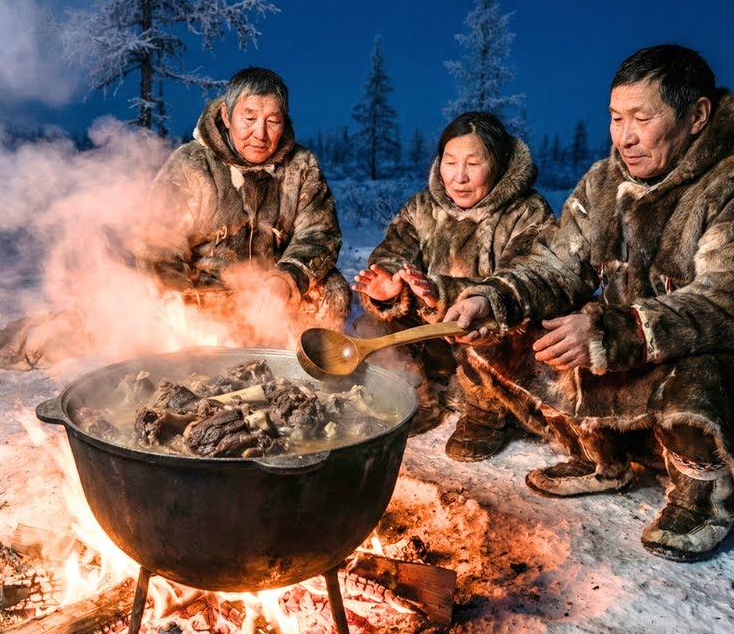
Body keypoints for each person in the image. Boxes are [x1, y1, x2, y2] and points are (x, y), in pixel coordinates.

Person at [444, 44, 734, 562]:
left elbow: (732, 306)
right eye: (615, 118)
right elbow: (557, 267)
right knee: (512, 331)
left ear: (697, 116)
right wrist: (496, 298)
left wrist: (610, 333)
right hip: (636, 352)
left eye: (642, 119)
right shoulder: (606, 183)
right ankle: (605, 458)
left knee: (703, 366)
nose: (624, 136)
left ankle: (704, 494)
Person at [352, 112, 555, 455]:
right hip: (433, 338)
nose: (458, 177)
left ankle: (487, 415)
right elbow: (393, 251)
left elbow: (528, 279)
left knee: (490, 328)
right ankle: (418, 397)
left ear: (501, 164)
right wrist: (388, 285)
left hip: (491, 346)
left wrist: (444, 293)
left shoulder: (528, 213)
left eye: (473, 163)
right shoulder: (422, 206)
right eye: (450, 162)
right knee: (371, 324)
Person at [134, 66, 350, 343]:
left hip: (269, 295)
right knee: (157, 308)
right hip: (205, 294)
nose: (260, 133)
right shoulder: (191, 164)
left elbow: (319, 233)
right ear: (226, 115)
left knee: (332, 290)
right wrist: (180, 304)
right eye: (249, 118)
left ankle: (297, 366)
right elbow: (158, 245)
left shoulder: (301, 165)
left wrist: (285, 278)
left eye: (273, 121)